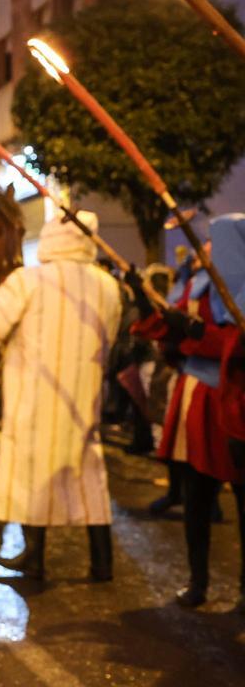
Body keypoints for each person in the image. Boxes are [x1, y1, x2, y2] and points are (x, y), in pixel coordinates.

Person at [0, 212, 122, 581]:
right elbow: (110, 338)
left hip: (35, 399)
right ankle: (102, 562)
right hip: (83, 399)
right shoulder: (108, 286)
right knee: (87, 476)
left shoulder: (29, 281)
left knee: (31, 478)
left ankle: (34, 557)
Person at [127, 214, 245, 610]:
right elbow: (167, 325)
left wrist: (197, 333)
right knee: (196, 494)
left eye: (215, 242)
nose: (206, 248)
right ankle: (198, 582)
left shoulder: (237, 289)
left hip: (229, 397)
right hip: (197, 396)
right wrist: (143, 297)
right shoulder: (197, 282)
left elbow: (234, 343)